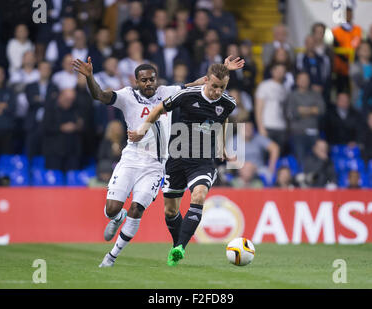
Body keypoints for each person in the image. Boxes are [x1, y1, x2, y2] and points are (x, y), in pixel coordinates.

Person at [73, 55, 244, 268]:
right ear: (137, 81)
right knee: (112, 209)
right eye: (144, 80)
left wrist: (225, 69)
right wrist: (90, 77)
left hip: (158, 163)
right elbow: (99, 95)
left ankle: (112, 257)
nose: (149, 83)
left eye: (152, 79)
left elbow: (202, 83)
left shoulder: (168, 92)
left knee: (138, 209)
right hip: (132, 158)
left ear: (157, 79)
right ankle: (117, 218)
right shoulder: (127, 96)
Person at [128, 63, 242, 267]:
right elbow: (157, 110)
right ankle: (176, 244)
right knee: (170, 211)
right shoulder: (188, 95)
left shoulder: (228, 103)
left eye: (222, 88)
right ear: (206, 80)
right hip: (177, 157)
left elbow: (223, 118)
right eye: (215, 86)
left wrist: (222, 145)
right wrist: (142, 130)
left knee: (198, 195)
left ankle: (180, 247)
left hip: (203, 160)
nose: (218, 92)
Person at [286, 72, 325, 166]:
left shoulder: (316, 94)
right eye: (301, 79)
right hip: (298, 133)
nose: (304, 81)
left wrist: (302, 110)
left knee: (318, 159)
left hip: (313, 131)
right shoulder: (292, 95)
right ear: (297, 81)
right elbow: (291, 113)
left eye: (306, 79)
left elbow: (321, 110)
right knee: (301, 160)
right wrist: (312, 110)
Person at [255, 63, 289, 152]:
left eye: (282, 71)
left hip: (281, 127)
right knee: (266, 155)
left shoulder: (285, 88)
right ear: (272, 71)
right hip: (267, 125)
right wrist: (261, 127)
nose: (280, 73)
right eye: (278, 70)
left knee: (279, 155)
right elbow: (258, 108)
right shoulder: (264, 85)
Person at [331, 5, 362, 92]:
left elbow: (360, 46)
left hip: (355, 66)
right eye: (346, 14)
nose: (348, 16)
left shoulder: (358, 30)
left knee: (354, 91)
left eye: (349, 14)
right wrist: (346, 60)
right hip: (340, 68)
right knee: (340, 91)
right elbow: (335, 48)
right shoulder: (335, 31)